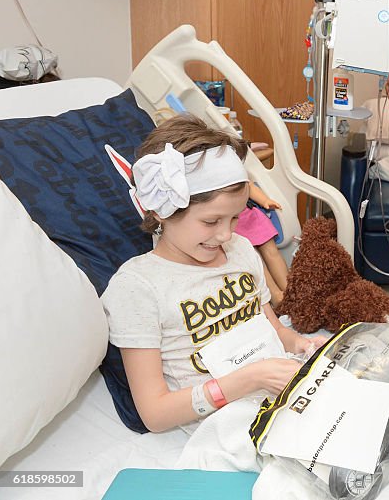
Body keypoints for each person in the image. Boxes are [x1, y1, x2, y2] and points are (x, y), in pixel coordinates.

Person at [101, 116, 326, 432]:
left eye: (235, 218)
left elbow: (275, 330)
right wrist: (252, 378)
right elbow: (155, 414)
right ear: (159, 211)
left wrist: (300, 345)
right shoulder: (138, 288)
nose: (225, 235)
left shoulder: (241, 250)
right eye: (211, 222)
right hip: (227, 427)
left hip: (284, 397)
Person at [236, 183, 288, 306]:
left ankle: (289, 288)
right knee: (255, 260)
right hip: (232, 222)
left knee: (272, 252)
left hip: (249, 215)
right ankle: (276, 296)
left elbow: (247, 185)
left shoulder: (232, 167)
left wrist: (265, 200)